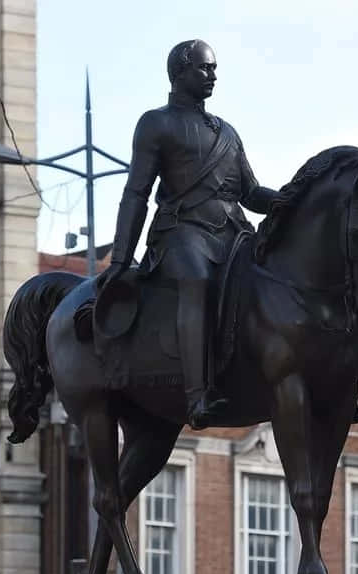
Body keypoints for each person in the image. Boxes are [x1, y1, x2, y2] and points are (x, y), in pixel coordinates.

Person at [102, 39, 278, 429]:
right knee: (197, 280)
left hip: (233, 235)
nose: (213, 75)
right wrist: (119, 258)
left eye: (214, 69)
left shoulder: (228, 133)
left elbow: (251, 193)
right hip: (182, 233)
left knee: (273, 278)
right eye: (204, 68)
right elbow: (136, 193)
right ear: (179, 73)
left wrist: (290, 199)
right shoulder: (156, 123)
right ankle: (197, 395)